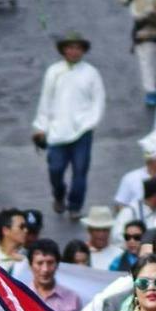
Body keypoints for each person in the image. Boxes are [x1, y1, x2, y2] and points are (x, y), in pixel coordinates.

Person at [32, 32, 105, 220]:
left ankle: (75, 206)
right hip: (57, 132)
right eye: (70, 47)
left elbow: (98, 100)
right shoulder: (54, 72)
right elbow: (45, 100)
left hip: (82, 131)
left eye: (77, 48)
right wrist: (41, 126)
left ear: (83, 50)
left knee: (80, 171)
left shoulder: (91, 73)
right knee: (55, 169)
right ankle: (59, 194)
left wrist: (90, 122)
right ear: (64, 50)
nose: (74, 51)